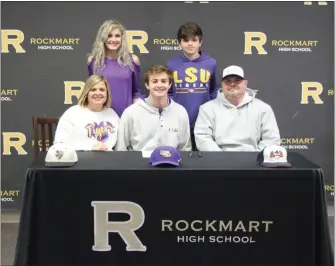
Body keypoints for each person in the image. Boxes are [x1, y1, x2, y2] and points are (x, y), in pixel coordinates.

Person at [194, 65, 281, 152]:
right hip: (219, 162)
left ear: (245, 83)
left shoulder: (263, 108)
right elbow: (202, 137)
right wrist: (220, 158)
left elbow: (272, 139)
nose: (232, 84)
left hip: (253, 161)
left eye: (237, 80)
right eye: (228, 81)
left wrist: (257, 158)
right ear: (222, 84)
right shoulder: (207, 108)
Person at [166, 22, 218, 151]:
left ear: (200, 42)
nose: (190, 44)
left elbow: (214, 91)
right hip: (178, 120)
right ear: (179, 43)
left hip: (204, 121)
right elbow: (169, 92)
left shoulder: (211, 63)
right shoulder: (171, 64)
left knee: (204, 161)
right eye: (185, 40)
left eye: (194, 40)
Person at [115, 65, 192, 152]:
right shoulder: (131, 112)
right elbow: (121, 148)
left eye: (163, 81)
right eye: (154, 81)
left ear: (169, 85)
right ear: (147, 85)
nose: (159, 85)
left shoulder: (180, 112)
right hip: (139, 163)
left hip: (171, 163)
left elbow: (185, 148)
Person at [87, 20, 142, 118]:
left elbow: (136, 92)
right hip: (101, 117)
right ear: (103, 38)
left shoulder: (132, 60)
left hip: (126, 116)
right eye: (109, 35)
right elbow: (91, 91)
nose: (113, 39)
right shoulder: (93, 61)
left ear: (122, 38)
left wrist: (136, 115)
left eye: (117, 36)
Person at [54, 75, 119, 151]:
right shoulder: (72, 113)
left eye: (102, 89)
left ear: (107, 93)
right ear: (87, 93)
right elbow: (60, 144)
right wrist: (90, 148)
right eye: (93, 90)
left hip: (108, 160)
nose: (98, 93)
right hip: (79, 160)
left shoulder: (112, 114)